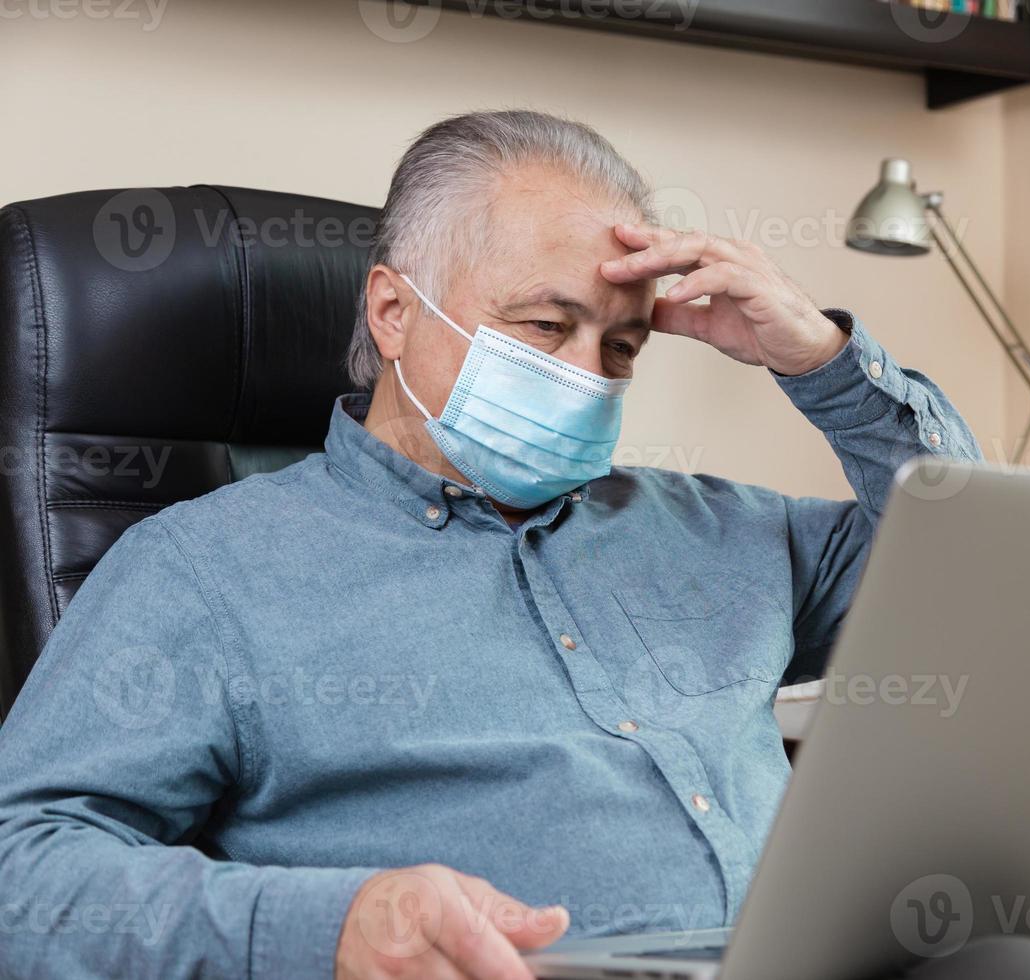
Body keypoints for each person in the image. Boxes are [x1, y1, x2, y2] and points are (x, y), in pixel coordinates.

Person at [0, 109, 980, 979]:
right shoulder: (205, 569)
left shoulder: (715, 528)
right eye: (547, 325)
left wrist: (821, 360)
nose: (588, 374)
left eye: (623, 347)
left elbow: (969, 564)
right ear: (392, 311)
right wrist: (327, 927)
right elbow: (23, 874)